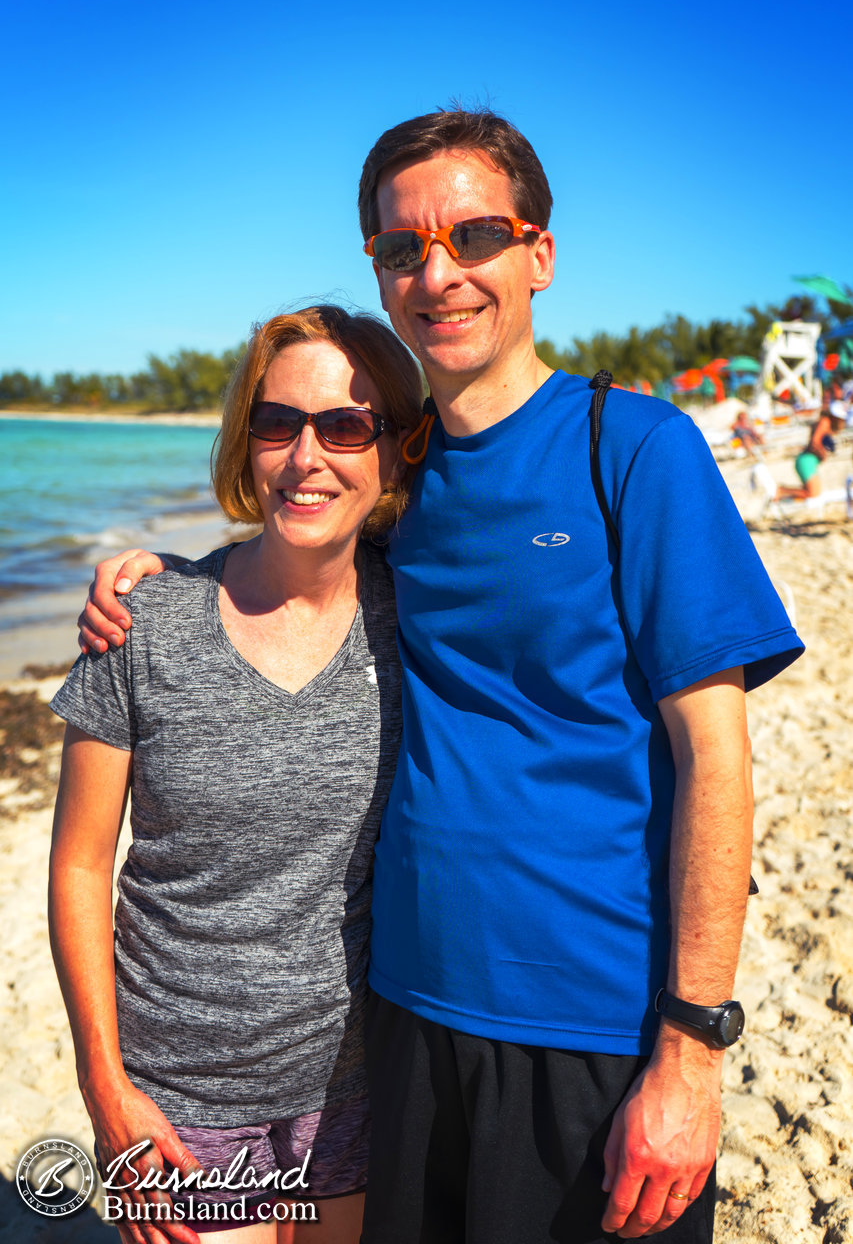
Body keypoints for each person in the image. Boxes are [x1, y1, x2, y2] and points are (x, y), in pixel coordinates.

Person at [79, 109, 803, 1244]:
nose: (438, 271)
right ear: (375, 264)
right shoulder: (397, 477)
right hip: (405, 1019)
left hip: (595, 1025)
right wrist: (158, 575)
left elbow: (715, 757)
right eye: (402, 247)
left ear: (538, 255)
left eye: (473, 235)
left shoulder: (636, 451)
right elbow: (290, 555)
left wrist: (691, 1046)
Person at [49, 305, 423, 1244]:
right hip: (178, 1102)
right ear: (243, 436)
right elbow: (81, 868)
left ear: (393, 448)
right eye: (277, 422)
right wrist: (107, 1092)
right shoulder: (143, 624)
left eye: (345, 425)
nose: (307, 457)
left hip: (359, 1085)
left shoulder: (422, 615)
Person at [775, 401, 847, 499]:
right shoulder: (825, 422)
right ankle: (781, 491)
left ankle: (783, 492)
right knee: (813, 493)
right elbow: (814, 442)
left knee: (812, 492)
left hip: (809, 461)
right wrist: (822, 454)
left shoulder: (827, 423)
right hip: (806, 460)